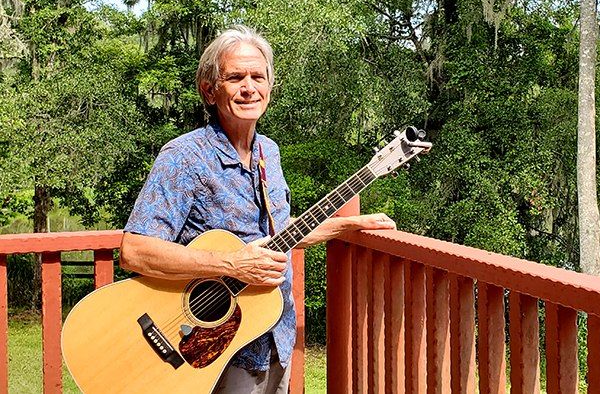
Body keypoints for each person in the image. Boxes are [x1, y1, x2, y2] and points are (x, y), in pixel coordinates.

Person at [119, 25, 396, 393]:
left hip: (275, 336)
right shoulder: (184, 157)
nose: (249, 87)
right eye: (235, 77)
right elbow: (135, 251)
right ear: (209, 90)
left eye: (258, 76)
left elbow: (275, 235)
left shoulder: (270, 152)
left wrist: (344, 227)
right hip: (208, 347)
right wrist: (232, 264)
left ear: (269, 87)